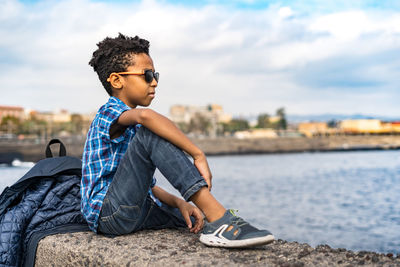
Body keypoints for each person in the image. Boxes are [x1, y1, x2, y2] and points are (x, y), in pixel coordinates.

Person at [81, 33, 274, 248]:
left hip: (135, 209)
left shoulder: (131, 124)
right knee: (151, 131)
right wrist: (197, 154)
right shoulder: (108, 112)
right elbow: (147, 117)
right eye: (146, 75)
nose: (154, 82)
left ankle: (213, 222)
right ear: (117, 80)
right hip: (109, 214)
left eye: (155, 75)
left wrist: (180, 203)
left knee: (190, 220)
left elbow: (148, 187)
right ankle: (220, 218)